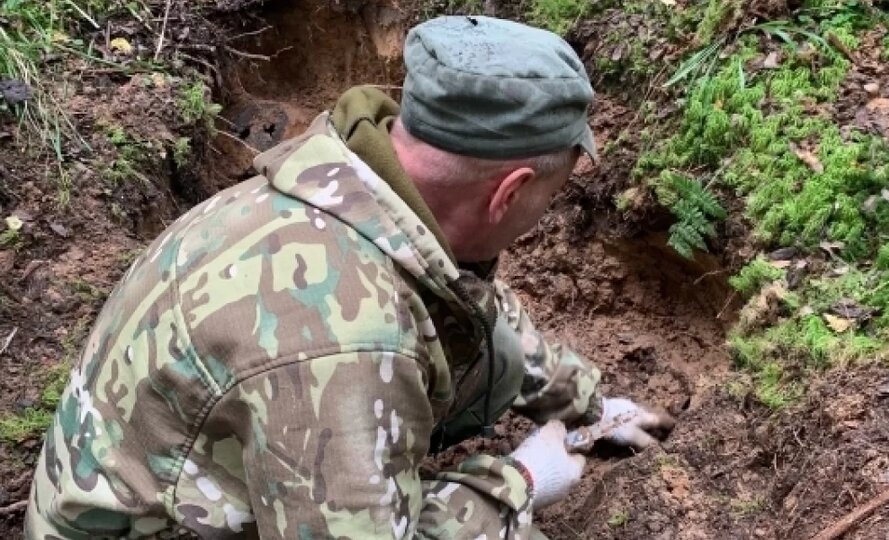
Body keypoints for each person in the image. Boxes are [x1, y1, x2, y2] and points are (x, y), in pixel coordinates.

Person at [25, 16, 674, 539]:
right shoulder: (349, 342)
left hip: (164, 466)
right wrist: (517, 484)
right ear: (508, 194)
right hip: (142, 524)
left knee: (489, 352)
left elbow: (466, 296)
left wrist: (585, 400)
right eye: (550, 197)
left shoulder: (341, 180)